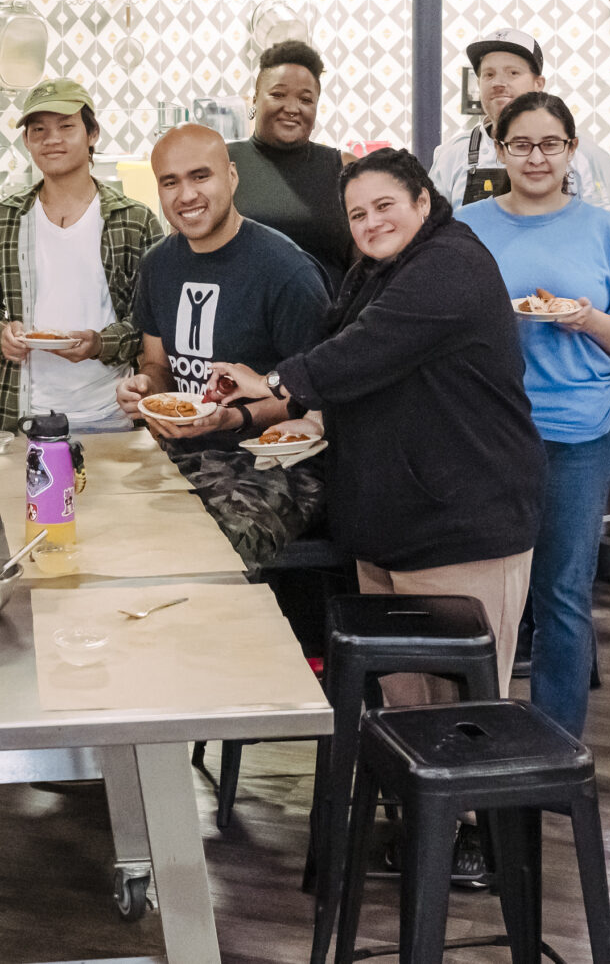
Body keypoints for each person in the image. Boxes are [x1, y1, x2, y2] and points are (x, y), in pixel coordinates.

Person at [202, 147, 542, 882]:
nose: (371, 221)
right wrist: (243, 404)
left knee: (464, 699)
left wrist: (276, 380)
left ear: (423, 199)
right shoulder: (378, 267)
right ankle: (428, 827)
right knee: (405, 693)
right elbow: (332, 349)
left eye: (385, 204)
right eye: (357, 213)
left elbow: (362, 352)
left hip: (464, 512)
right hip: (391, 511)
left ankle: (476, 841)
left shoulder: (451, 264)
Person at [455, 91, 610, 737]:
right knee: (479, 598)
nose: (536, 156)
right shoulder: (466, 226)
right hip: (485, 435)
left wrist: (588, 319)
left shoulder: (605, 230)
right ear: (498, 149)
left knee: (563, 595)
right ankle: (477, 734)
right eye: (521, 144)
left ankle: (555, 741)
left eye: (550, 144)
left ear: (572, 149)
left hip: (577, 432)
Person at [111, 124, 331, 568]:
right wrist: (145, 389)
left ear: (231, 177)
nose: (185, 194)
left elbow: (319, 400)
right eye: (170, 182)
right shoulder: (157, 265)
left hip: (274, 466)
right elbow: (157, 363)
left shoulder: (287, 271)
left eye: (200, 176)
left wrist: (230, 417)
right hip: (183, 454)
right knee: (110, 528)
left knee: (203, 552)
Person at [0, 78, 162, 434]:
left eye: (66, 126)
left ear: (92, 133)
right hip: (21, 413)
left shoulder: (135, 220)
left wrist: (100, 343)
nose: (51, 139)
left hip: (112, 415)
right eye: (38, 129)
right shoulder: (1, 219)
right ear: (27, 141)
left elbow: (154, 322)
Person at [427, 28, 610, 224]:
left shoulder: (585, 155)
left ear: (539, 84)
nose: (498, 83)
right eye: (489, 75)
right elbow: (430, 232)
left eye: (513, 73)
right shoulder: (452, 155)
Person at [226, 38, 356, 289]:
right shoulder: (222, 163)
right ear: (254, 100)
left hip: (326, 321)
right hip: (239, 320)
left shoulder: (345, 168)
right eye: (278, 94)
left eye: (306, 100)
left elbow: (366, 262)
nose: (292, 108)